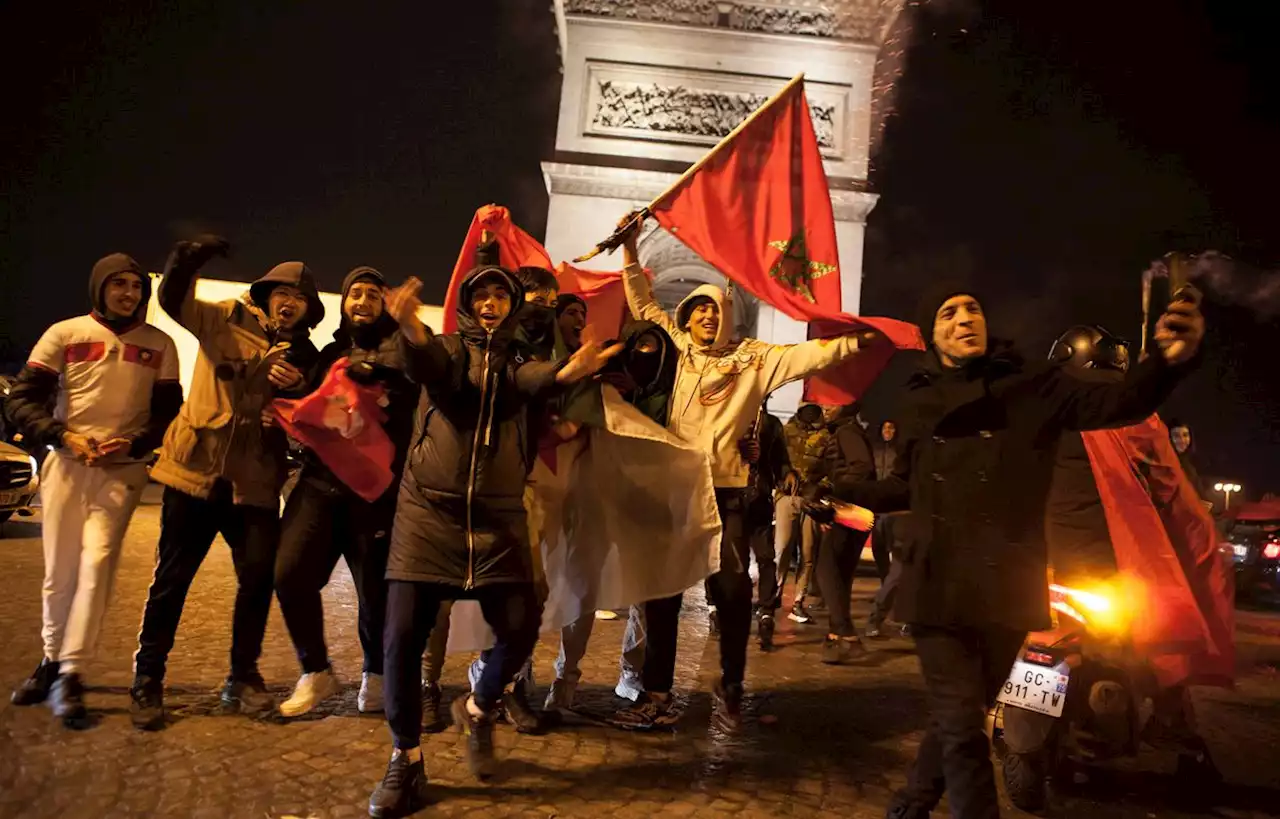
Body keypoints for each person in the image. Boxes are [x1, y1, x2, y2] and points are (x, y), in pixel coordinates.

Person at [832, 283, 1205, 819]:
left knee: (957, 719)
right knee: (964, 733)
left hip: (1007, 587)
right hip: (938, 586)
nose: (965, 318)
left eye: (973, 308)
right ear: (932, 334)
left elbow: (1117, 401)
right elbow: (905, 487)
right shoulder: (918, 402)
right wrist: (846, 487)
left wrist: (1167, 362)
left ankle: (910, 804)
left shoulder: (1035, 386)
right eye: (949, 312)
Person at [367, 261, 621, 816]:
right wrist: (411, 328)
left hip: (497, 516)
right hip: (427, 514)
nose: (489, 302)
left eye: (498, 296)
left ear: (510, 307)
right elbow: (429, 363)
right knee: (402, 637)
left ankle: (480, 708)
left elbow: (524, 382)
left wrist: (564, 372)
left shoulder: (519, 363)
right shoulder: (451, 351)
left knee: (523, 623)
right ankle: (405, 758)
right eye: (479, 294)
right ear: (466, 303)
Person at [610, 213, 879, 732]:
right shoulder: (676, 352)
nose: (709, 316)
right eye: (700, 308)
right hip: (675, 493)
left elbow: (807, 354)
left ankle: (730, 686)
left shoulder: (754, 359)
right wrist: (628, 249)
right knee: (661, 596)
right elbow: (643, 303)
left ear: (728, 317)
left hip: (727, 496)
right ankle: (659, 693)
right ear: (686, 318)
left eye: (717, 309)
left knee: (733, 594)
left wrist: (860, 341)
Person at [131, 236, 322, 730]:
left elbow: (315, 416)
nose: (289, 302)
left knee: (258, 579)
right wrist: (189, 258)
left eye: (299, 298)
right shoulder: (221, 318)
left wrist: (295, 395)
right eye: (282, 292)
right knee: (171, 580)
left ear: (308, 310)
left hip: (255, 483)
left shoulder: (304, 357)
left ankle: (244, 676)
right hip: (194, 471)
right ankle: (147, 679)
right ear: (266, 294)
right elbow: (171, 299)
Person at [6, 253, 182, 728]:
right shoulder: (63, 333)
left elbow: (168, 413)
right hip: (66, 464)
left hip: (121, 470)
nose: (128, 294)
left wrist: (137, 441)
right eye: (118, 284)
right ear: (99, 287)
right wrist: (62, 436)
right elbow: (21, 400)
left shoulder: (160, 343)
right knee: (58, 573)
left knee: (96, 564)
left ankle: (73, 674)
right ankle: (50, 661)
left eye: (135, 287)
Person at [274, 267, 416, 718]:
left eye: (373, 295)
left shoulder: (401, 353)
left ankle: (376, 674)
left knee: (375, 594)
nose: (362, 301)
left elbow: (412, 397)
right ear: (344, 302)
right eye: (355, 292)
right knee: (289, 573)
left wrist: (378, 375)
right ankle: (315, 670)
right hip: (319, 483)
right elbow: (310, 401)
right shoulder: (329, 353)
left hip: (373, 496)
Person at [545, 319, 681, 711]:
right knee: (581, 592)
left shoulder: (671, 397)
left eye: (653, 347)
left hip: (648, 507)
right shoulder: (598, 387)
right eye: (636, 346)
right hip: (595, 501)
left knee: (644, 597)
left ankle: (631, 674)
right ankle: (564, 677)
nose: (643, 355)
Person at [807, 402, 877, 663]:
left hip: (851, 508)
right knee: (840, 572)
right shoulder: (846, 431)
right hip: (857, 507)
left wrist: (836, 499)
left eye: (831, 407)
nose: (825, 410)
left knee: (826, 570)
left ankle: (846, 634)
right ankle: (838, 635)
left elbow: (863, 468)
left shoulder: (847, 432)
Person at [743, 401, 791, 651]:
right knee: (729, 560)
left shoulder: (771, 424)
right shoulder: (730, 414)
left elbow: (780, 459)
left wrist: (787, 474)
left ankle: (766, 612)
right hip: (730, 498)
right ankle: (718, 609)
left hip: (759, 498)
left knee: (765, 557)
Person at [776, 403, 829, 623]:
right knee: (782, 549)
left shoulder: (827, 437)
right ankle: (773, 597)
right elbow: (776, 461)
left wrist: (820, 488)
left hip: (811, 500)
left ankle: (798, 601)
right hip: (787, 496)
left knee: (807, 553)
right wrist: (784, 475)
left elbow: (832, 469)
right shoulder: (786, 431)